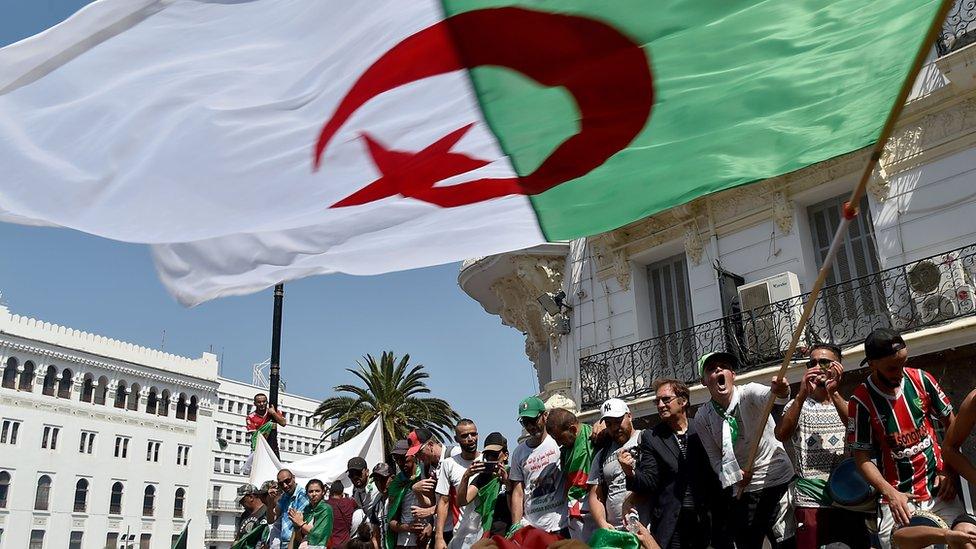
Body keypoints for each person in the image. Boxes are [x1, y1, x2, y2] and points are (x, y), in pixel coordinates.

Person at [849, 328, 962, 549]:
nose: (900, 372)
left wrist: (947, 469)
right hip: (899, 500)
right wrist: (889, 493)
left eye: (903, 363)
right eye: (892, 368)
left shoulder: (922, 379)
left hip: (940, 492)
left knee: (962, 541)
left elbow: (952, 425)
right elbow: (861, 458)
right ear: (872, 364)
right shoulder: (861, 401)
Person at [693, 351, 795, 549]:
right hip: (743, 490)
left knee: (786, 543)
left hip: (777, 481)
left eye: (723, 367)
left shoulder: (749, 393)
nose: (719, 370)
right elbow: (715, 459)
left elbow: (774, 397)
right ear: (704, 381)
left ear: (733, 375)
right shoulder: (703, 417)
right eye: (712, 369)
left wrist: (781, 390)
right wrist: (733, 475)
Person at [773, 343, 868, 549]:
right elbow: (782, 434)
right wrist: (800, 395)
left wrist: (833, 393)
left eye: (824, 362)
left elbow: (856, 430)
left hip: (847, 494)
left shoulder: (849, 404)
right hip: (809, 498)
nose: (817, 367)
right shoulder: (798, 405)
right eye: (812, 363)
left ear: (838, 367)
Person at [625, 378, 719, 549]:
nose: (660, 405)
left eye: (666, 399)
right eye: (657, 401)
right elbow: (649, 481)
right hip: (674, 524)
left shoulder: (702, 427)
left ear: (683, 401)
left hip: (708, 520)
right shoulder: (652, 437)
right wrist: (630, 472)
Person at [510, 396, 568, 537]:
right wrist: (516, 525)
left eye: (533, 420)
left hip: (560, 524)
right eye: (525, 422)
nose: (530, 426)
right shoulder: (519, 452)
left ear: (545, 416)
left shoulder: (558, 442)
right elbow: (518, 492)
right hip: (532, 528)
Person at [584, 398, 642, 534]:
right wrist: (602, 523)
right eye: (609, 424)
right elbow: (595, 495)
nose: (615, 427)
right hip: (616, 532)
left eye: (618, 421)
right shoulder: (601, 456)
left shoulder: (646, 440)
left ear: (629, 416)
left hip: (645, 527)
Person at [546, 408, 595, 540]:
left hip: (595, 509)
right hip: (575, 513)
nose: (558, 443)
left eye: (559, 438)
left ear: (572, 429)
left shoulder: (594, 437)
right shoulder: (565, 452)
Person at [433, 419, 481, 549]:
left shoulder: (486, 461)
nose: (470, 439)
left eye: (473, 434)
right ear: (456, 439)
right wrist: (439, 537)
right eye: (465, 436)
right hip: (461, 537)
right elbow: (443, 501)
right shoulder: (449, 464)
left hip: (485, 534)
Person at [458, 432, 512, 541]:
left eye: (495, 454)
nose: (491, 458)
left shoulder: (513, 474)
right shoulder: (482, 478)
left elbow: (517, 505)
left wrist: (506, 482)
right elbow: (462, 501)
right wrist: (466, 477)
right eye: (488, 455)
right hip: (487, 535)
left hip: (509, 534)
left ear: (505, 455)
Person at [407, 428, 456, 545]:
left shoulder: (454, 455)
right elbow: (430, 502)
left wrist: (431, 511)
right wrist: (417, 491)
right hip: (440, 529)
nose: (418, 458)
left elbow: (461, 497)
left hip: (458, 528)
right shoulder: (426, 468)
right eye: (415, 455)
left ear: (430, 445)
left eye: (419, 453)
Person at [390, 439, 432, 549]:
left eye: (403, 458)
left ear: (413, 455)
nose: (400, 462)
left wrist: (431, 525)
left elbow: (439, 505)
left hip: (426, 540)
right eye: (396, 459)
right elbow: (391, 522)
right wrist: (407, 528)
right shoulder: (396, 484)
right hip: (403, 543)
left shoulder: (426, 475)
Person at [290, 478, 334, 548]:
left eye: (317, 491)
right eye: (310, 491)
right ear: (307, 494)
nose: (314, 494)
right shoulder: (307, 509)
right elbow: (300, 537)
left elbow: (319, 535)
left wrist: (301, 523)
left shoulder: (325, 509)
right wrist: (296, 525)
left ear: (323, 492)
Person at [277, 468, 311, 548]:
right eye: (281, 484)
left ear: (293, 478)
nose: (285, 485)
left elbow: (297, 524)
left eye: (287, 481)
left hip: (295, 543)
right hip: (284, 543)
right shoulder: (284, 496)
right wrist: (271, 500)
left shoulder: (302, 495)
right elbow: (272, 518)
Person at [368, 462, 395, 549]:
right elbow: (375, 536)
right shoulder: (376, 507)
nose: (380, 483)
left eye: (383, 479)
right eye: (376, 480)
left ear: (392, 478)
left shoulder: (399, 499)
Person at [329, 480, 358, 547]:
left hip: (331, 544)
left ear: (331, 492)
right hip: (346, 543)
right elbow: (358, 506)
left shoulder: (326, 504)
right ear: (342, 492)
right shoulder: (349, 502)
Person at [263, 479, 282, 545]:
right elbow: (270, 521)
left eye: (265, 495)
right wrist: (270, 502)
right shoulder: (270, 507)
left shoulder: (284, 504)